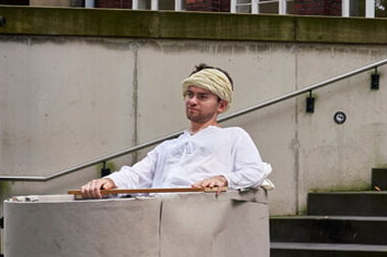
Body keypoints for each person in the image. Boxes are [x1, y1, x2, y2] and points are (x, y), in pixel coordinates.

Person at [79, 64, 272, 198]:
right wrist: (108, 181)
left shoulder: (233, 136)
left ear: (221, 105)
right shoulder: (168, 147)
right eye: (190, 94)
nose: (192, 101)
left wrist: (223, 179)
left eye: (202, 96)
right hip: (157, 218)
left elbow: (254, 172)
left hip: (203, 220)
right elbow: (136, 175)